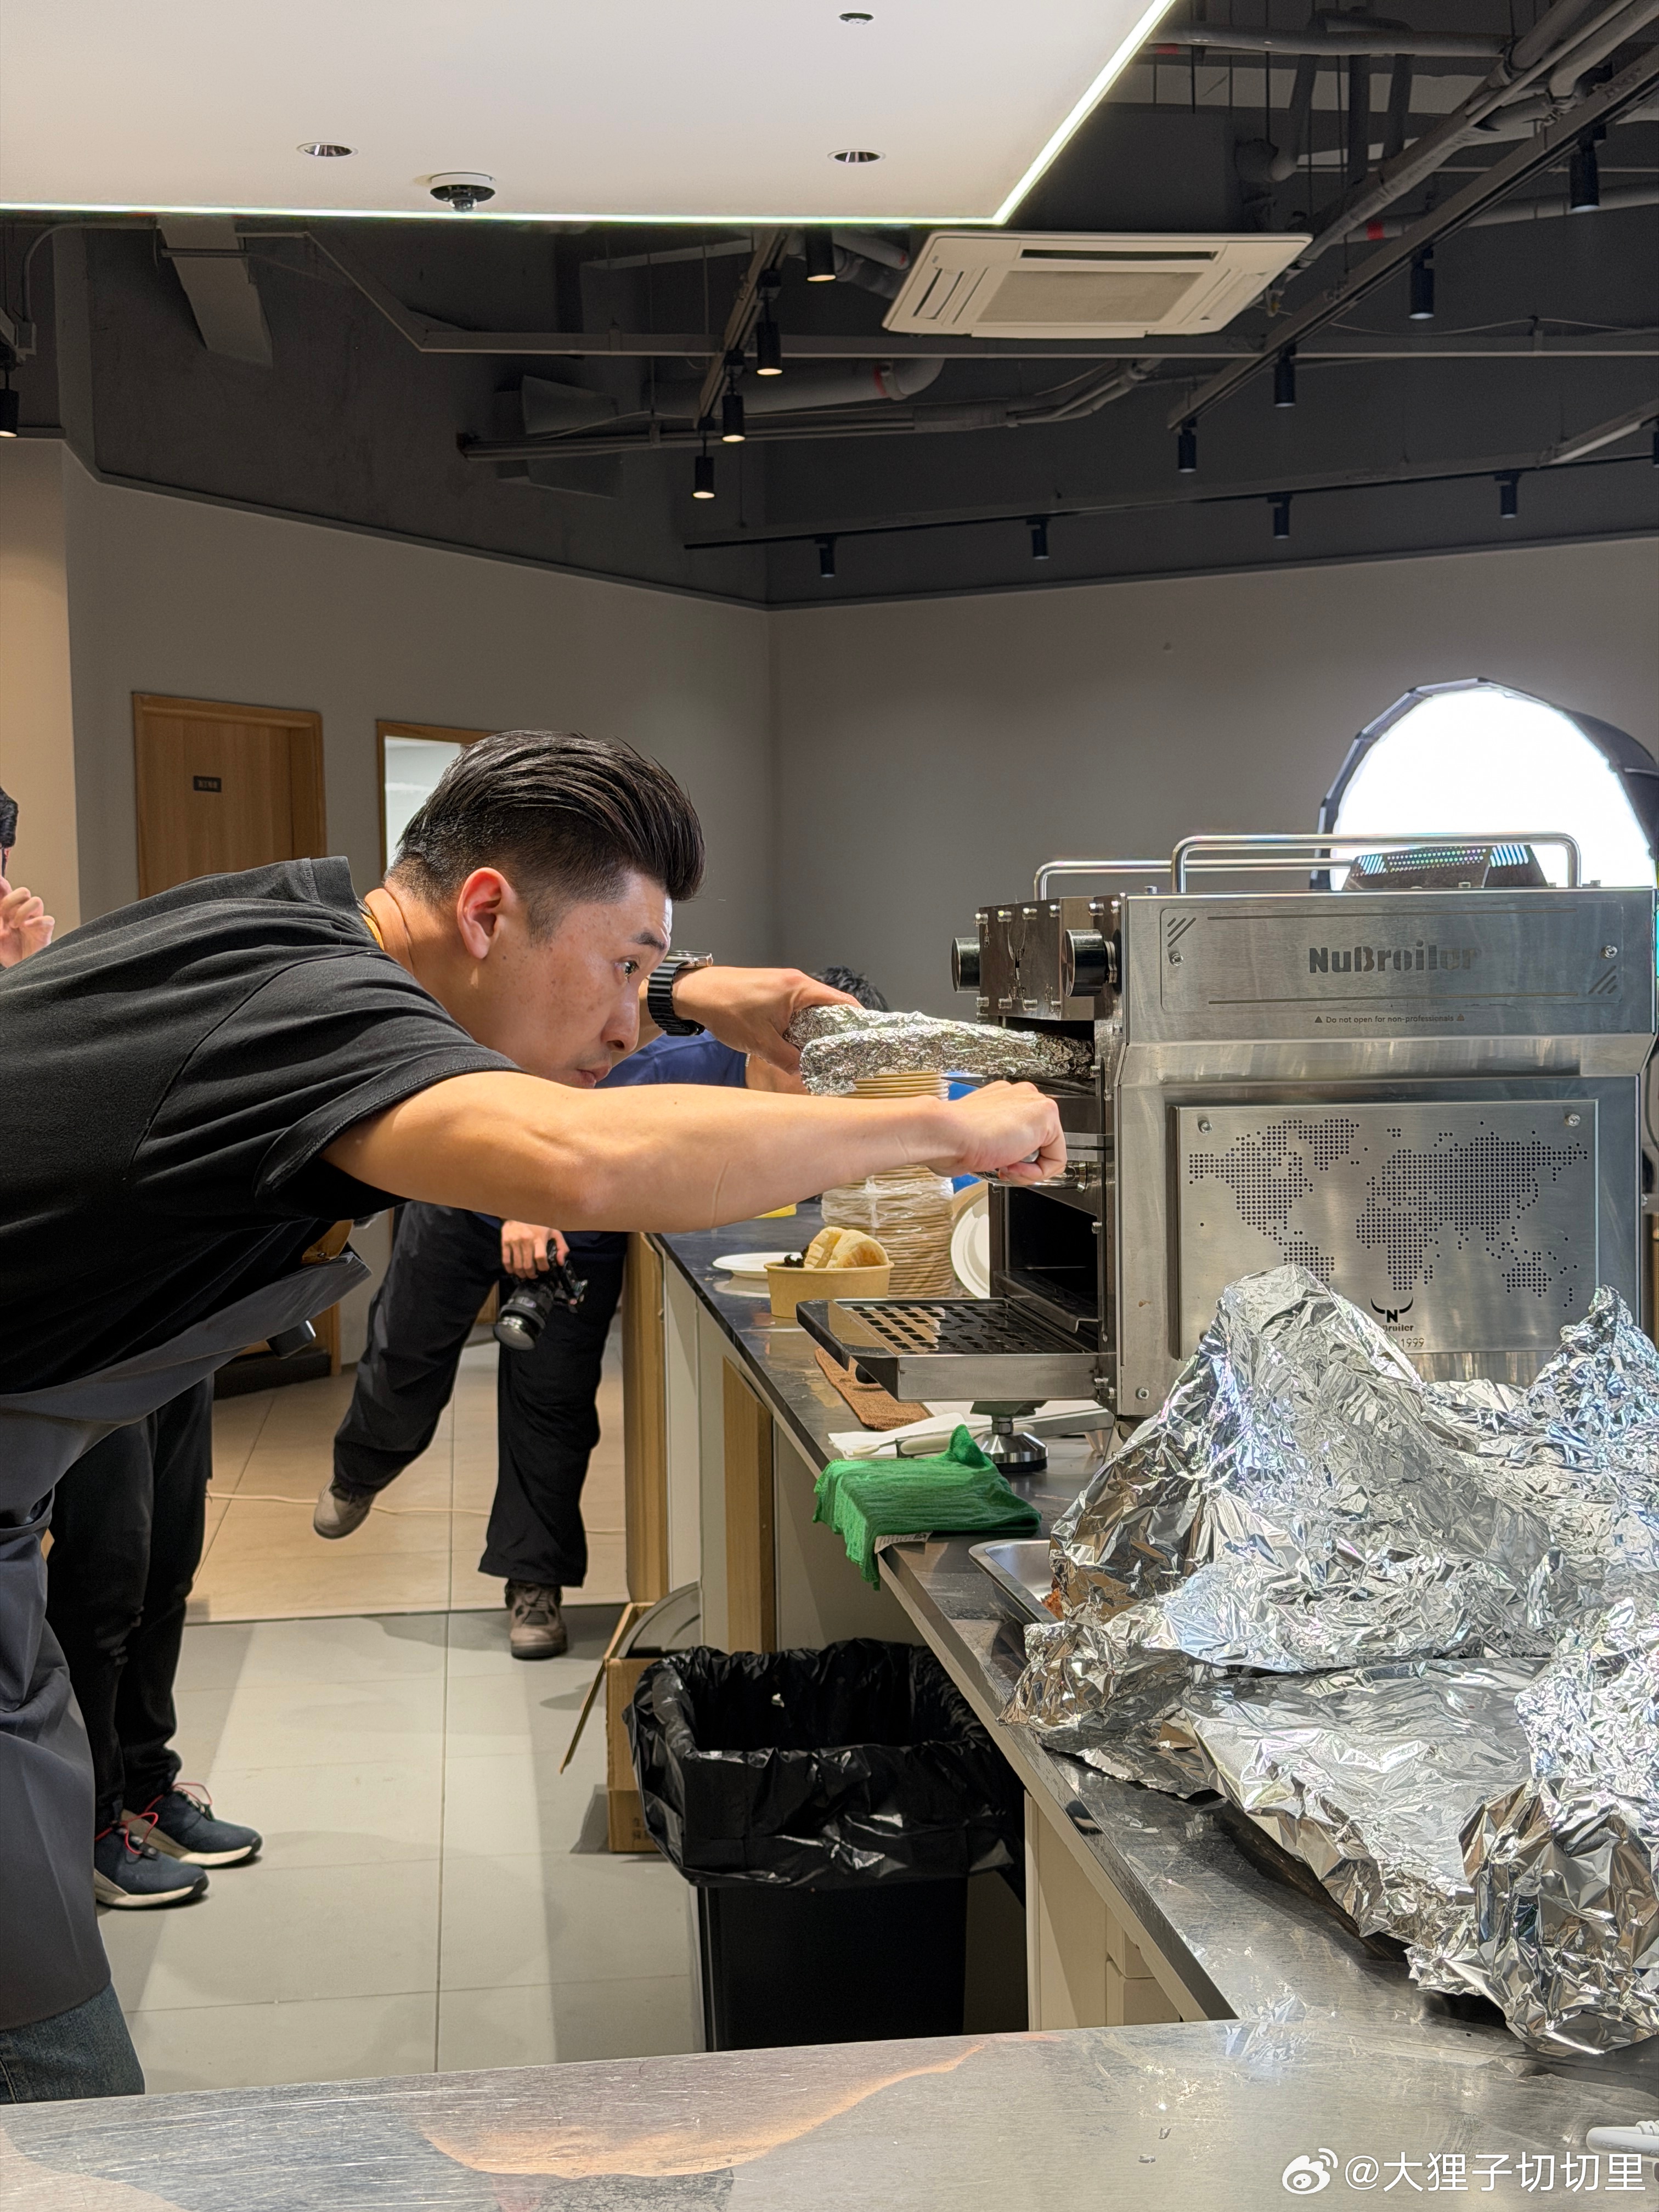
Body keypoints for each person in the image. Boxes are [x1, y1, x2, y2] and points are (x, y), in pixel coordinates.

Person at [0, 727, 1063, 2098]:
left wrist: (677, 981)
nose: (626, 1028)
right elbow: (575, 1160)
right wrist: (950, 1123)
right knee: (54, 2075)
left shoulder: (291, 927)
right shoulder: (316, 1011)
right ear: (487, 909)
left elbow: (552, 997)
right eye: (618, 970)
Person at [318, 970, 890, 1659]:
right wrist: (528, 1201)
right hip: (469, 1191)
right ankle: (361, 1470)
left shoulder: (822, 1109)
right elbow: (543, 1107)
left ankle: (534, 1581)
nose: (829, 1093)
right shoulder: (671, 1065)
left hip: (580, 1234)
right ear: (777, 1043)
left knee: (552, 1403)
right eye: (819, 1069)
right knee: (407, 1352)